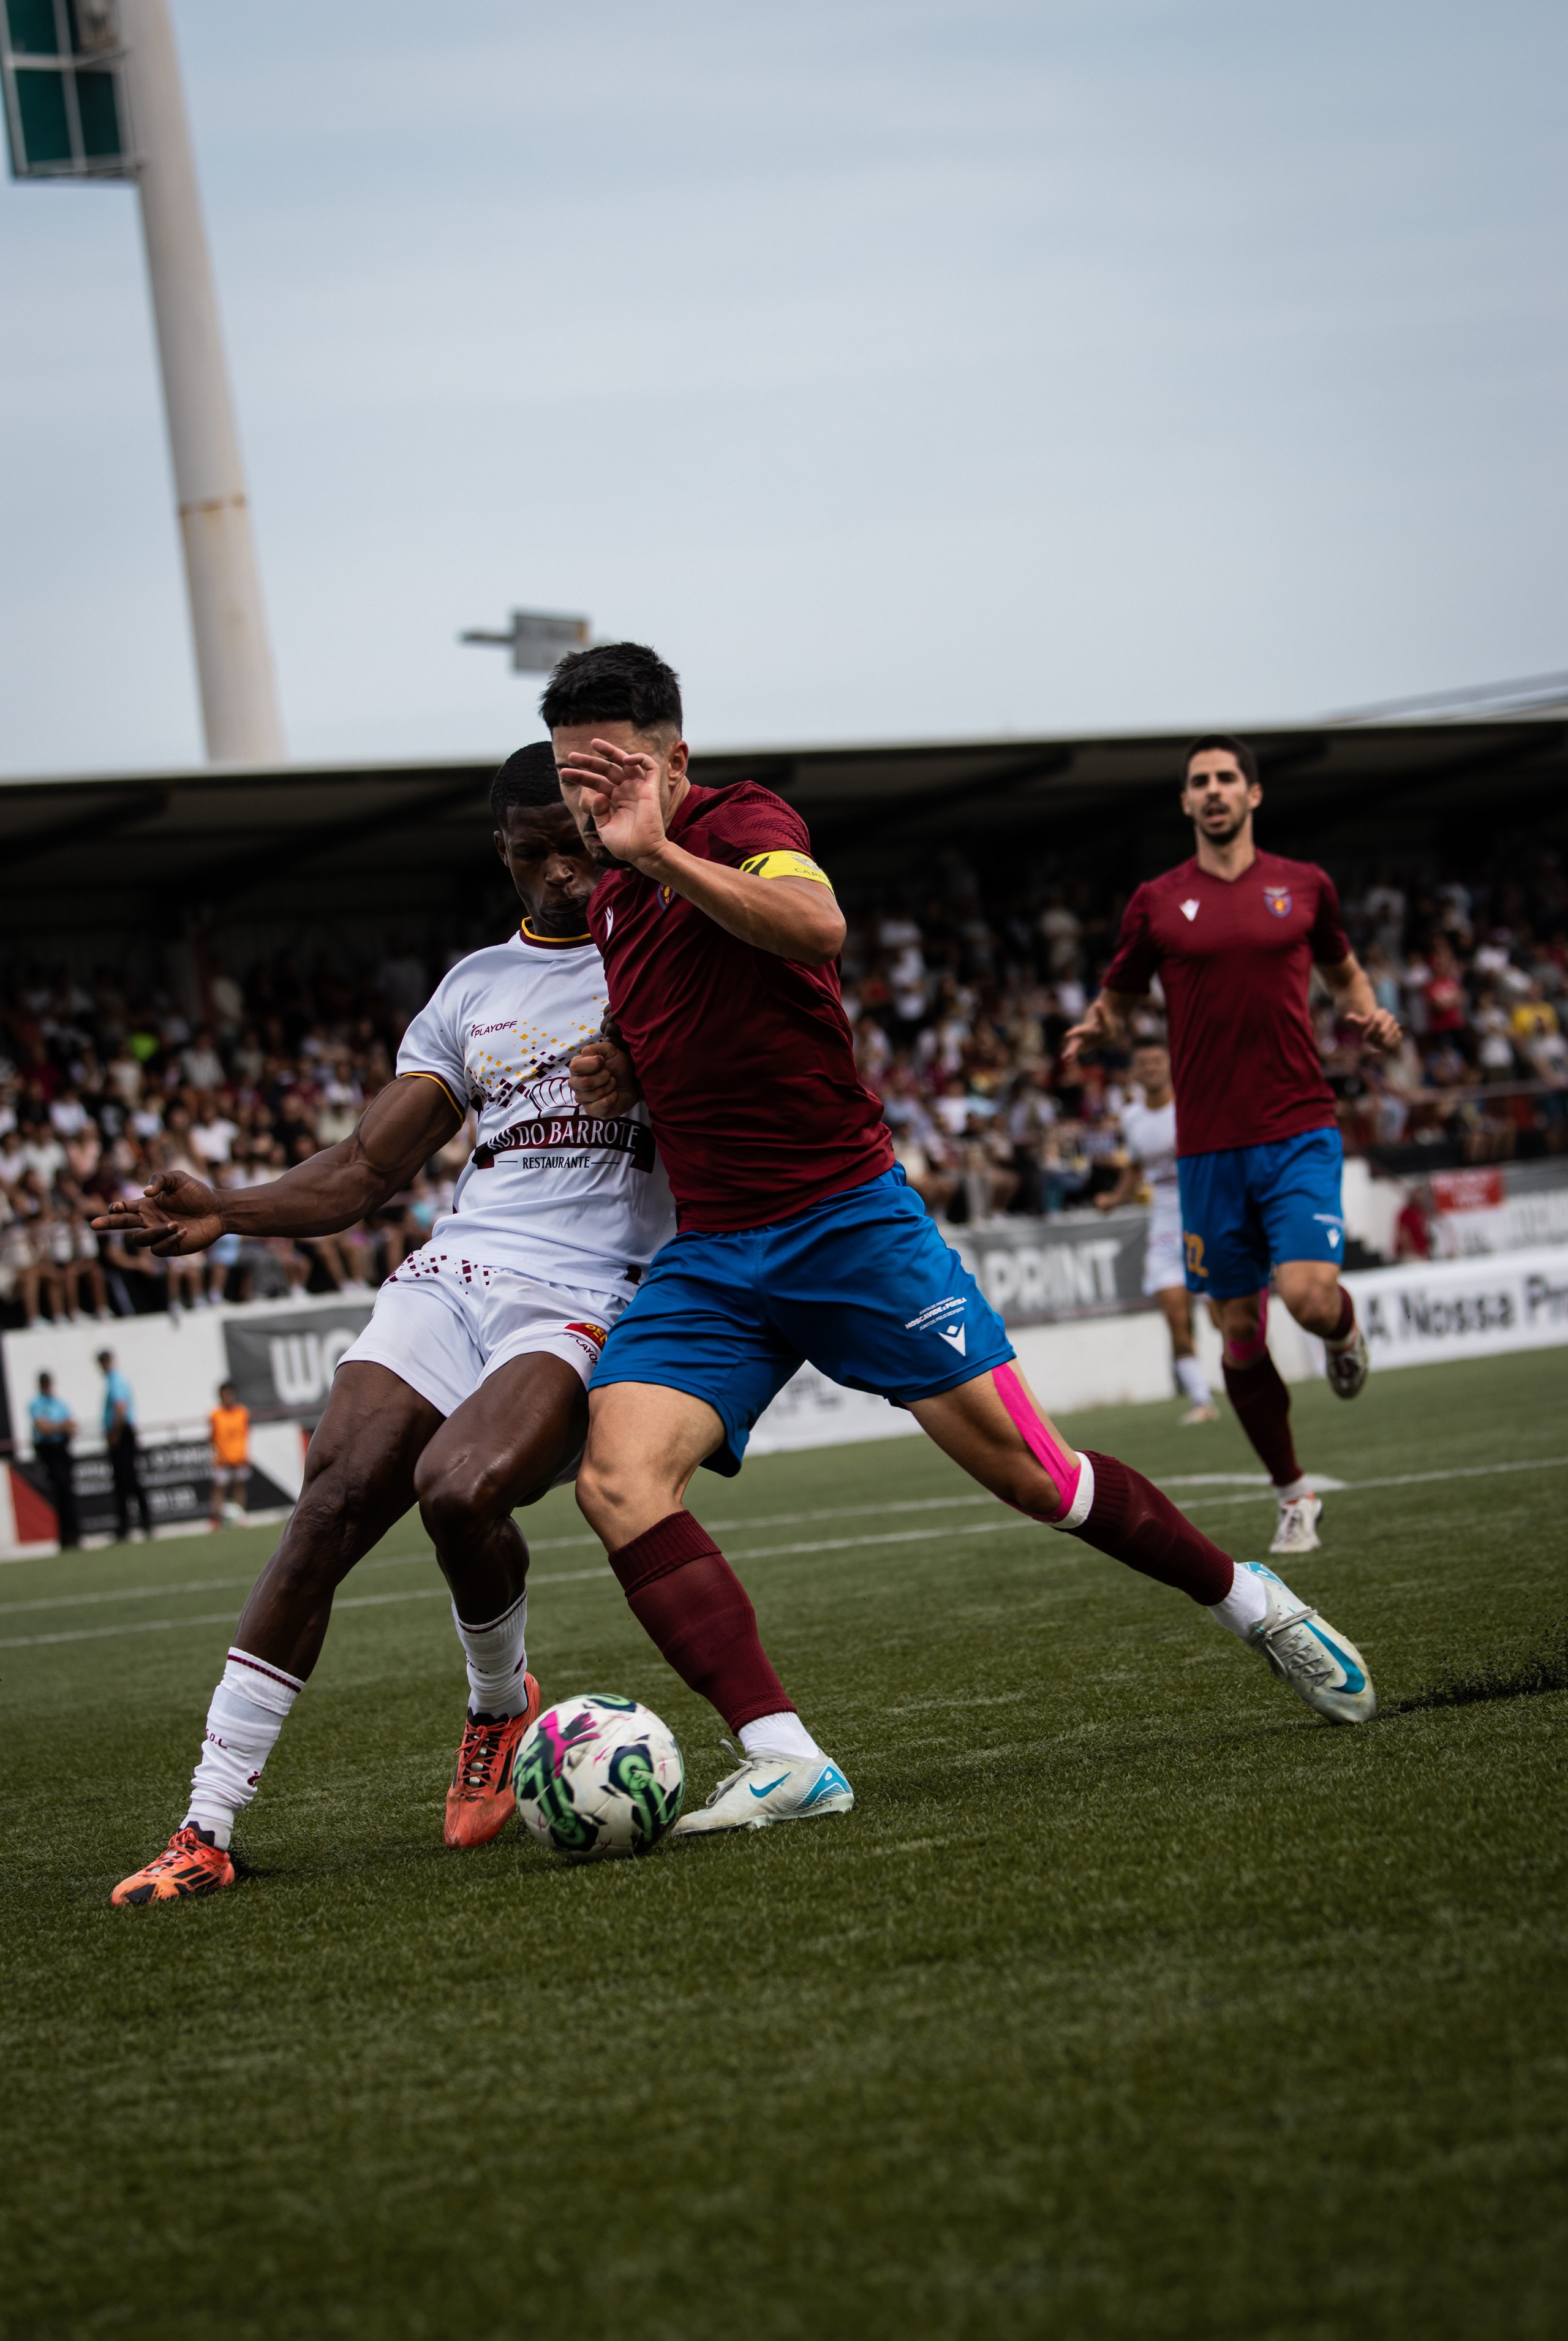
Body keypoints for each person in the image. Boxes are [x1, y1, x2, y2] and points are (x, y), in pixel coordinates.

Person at [545, 645, 1376, 1842]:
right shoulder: (616, 898)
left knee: (1036, 1478)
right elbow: (683, 1016)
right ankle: (783, 1755)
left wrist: (660, 848)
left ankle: (1250, 1600)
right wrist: (622, 1065)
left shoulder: (736, 824)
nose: (590, 799)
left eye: (610, 770)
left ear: (673, 757)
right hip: (716, 1250)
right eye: (574, 777)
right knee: (616, 1477)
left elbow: (812, 921)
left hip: (844, 1220)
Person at [95, 744, 676, 1904]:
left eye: (580, 845)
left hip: (585, 1287)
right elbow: (367, 1168)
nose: (564, 872)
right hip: (458, 1267)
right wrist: (229, 1209)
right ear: (502, 853)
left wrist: (655, 1068)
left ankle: (497, 1706)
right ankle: (205, 1828)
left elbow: (762, 1086)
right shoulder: (472, 989)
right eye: (536, 853)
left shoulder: (670, 954)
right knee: (331, 1501)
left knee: (459, 1488)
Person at [1065, 735, 1401, 1556]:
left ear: (1253, 795)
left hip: (1297, 1127)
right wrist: (1098, 1025)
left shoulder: (1304, 885)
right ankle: (1294, 1495)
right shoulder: (1156, 901)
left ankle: (1345, 1332)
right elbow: (1119, 996)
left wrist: (1364, 1009)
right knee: (1240, 1334)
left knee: (1311, 1298)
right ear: (1185, 803)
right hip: (1206, 1150)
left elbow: (1345, 974)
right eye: (1198, 782)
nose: (1213, 791)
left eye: (1226, 779)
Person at [1095, 1035, 1218, 1424]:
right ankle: (1202, 1400)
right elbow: (1134, 1167)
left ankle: (1249, 1375)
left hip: (1204, 1216)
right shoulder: (1132, 1118)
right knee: (1174, 1313)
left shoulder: (1190, 1106)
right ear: (1134, 1072)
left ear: (1169, 1065)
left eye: (1156, 1062)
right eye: (1142, 1063)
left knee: (1223, 1315)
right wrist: (1115, 1199)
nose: (1150, 1069)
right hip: (1164, 1223)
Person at [97, 1348, 153, 1543]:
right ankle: (139, 1522)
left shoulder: (116, 1381)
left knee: (126, 1480)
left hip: (121, 1434)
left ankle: (132, 1524)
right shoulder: (114, 1381)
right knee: (127, 1480)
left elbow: (120, 1409)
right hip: (122, 1433)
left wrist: (115, 1434)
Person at [28, 1371, 80, 1549]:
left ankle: (74, 1535)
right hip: (49, 1452)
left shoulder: (59, 1402)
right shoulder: (37, 1404)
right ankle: (64, 1538)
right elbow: (43, 1428)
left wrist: (57, 1427)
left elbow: (72, 1424)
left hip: (62, 1449)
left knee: (68, 1493)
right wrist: (60, 1427)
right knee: (59, 1493)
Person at [209, 1380, 251, 1529]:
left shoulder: (242, 1412)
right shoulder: (215, 1415)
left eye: (230, 1394)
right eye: (224, 1395)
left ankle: (240, 1516)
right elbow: (213, 1437)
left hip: (239, 1456)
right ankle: (216, 1519)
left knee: (239, 1486)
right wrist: (218, 1454)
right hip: (223, 1459)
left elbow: (245, 1435)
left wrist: (245, 1454)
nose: (228, 1398)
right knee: (220, 1487)